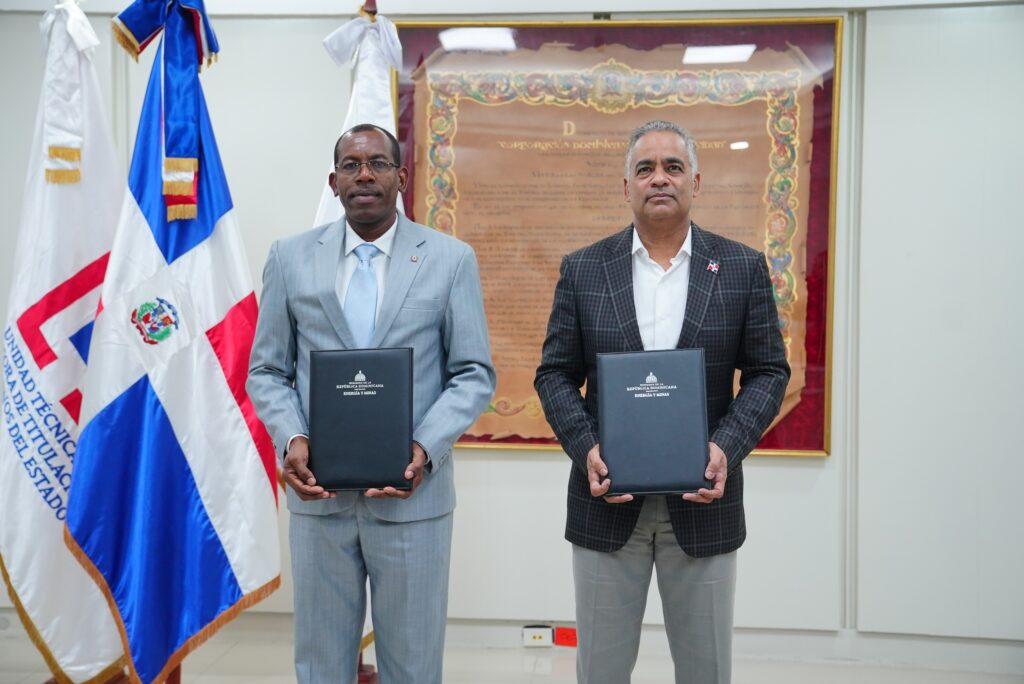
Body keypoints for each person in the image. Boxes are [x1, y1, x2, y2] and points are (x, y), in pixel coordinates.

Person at [534, 120, 790, 683]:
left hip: (705, 502)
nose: (659, 179)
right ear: (626, 185)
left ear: (695, 182)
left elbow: (769, 372)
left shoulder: (742, 267)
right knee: (600, 671)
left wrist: (725, 447)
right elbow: (554, 375)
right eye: (645, 168)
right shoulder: (583, 269)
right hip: (606, 502)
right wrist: (587, 448)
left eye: (673, 167)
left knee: (705, 670)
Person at [247, 123, 495, 684]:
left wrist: (423, 448)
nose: (364, 174)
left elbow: (473, 373)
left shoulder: (450, 259)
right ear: (332, 181)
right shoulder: (289, 258)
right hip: (319, 499)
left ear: (400, 177)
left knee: (412, 666)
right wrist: (292, 437)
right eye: (351, 165)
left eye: (378, 163)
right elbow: (267, 369)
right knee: (321, 666)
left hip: (414, 500)